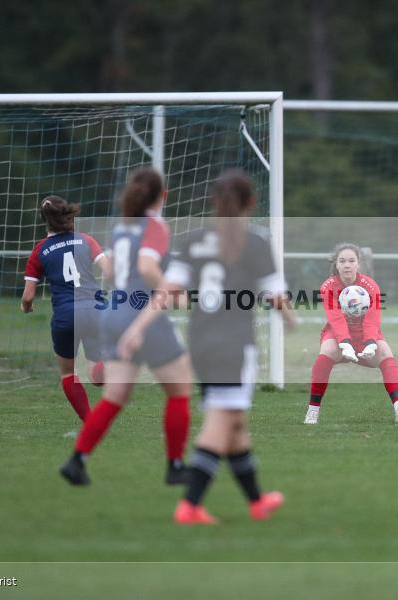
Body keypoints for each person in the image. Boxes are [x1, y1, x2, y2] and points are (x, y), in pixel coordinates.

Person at [118, 169, 295, 525]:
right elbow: (276, 297)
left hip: (200, 342)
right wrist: (291, 319)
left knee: (236, 423)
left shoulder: (193, 240)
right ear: (251, 203)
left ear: (214, 202)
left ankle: (257, 501)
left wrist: (136, 328)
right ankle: (191, 505)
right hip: (234, 346)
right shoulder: (256, 241)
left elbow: (166, 292)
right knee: (220, 423)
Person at [59, 168, 193, 487]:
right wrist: (170, 292)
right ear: (162, 196)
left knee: (115, 395)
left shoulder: (122, 228)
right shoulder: (155, 225)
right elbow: (146, 267)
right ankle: (175, 466)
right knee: (180, 388)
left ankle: (77, 460)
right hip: (142, 314)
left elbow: (117, 275)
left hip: (115, 312)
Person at [21, 196, 111, 422]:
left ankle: (90, 422)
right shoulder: (86, 240)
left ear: (45, 220)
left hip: (66, 316)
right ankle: (104, 364)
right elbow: (111, 272)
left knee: (68, 373)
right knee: (98, 376)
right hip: (95, 309)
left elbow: (28, 296)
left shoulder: (39, 250)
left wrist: (26, 307)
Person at [304, 243, 398, 425]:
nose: (347, 265)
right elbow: (336, 318)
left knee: (386, 354)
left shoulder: (370, 286)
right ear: (336, 264)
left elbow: (372, 319)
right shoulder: (328, 286)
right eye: (342, 261)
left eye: (351, 261)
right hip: (338, 335)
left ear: (358, 264)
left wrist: (371, 343)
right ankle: (312, 410)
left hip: (365, 335)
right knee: (326, 352)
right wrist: (345, 343)